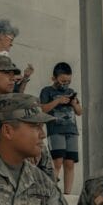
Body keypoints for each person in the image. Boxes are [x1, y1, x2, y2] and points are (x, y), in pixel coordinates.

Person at [39, 62, 82, 193]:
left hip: (72, 131)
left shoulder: (70, 92)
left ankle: (68, 193)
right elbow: (42, 109)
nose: (65, 84)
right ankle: (52, 191)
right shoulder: (47, 91)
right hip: (56, 130)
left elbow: (80, 112)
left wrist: (74, 104)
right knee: (57, 161)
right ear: (54, 78)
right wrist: (58, 101)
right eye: (62, 81)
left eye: (68, 81)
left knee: (69, 163)